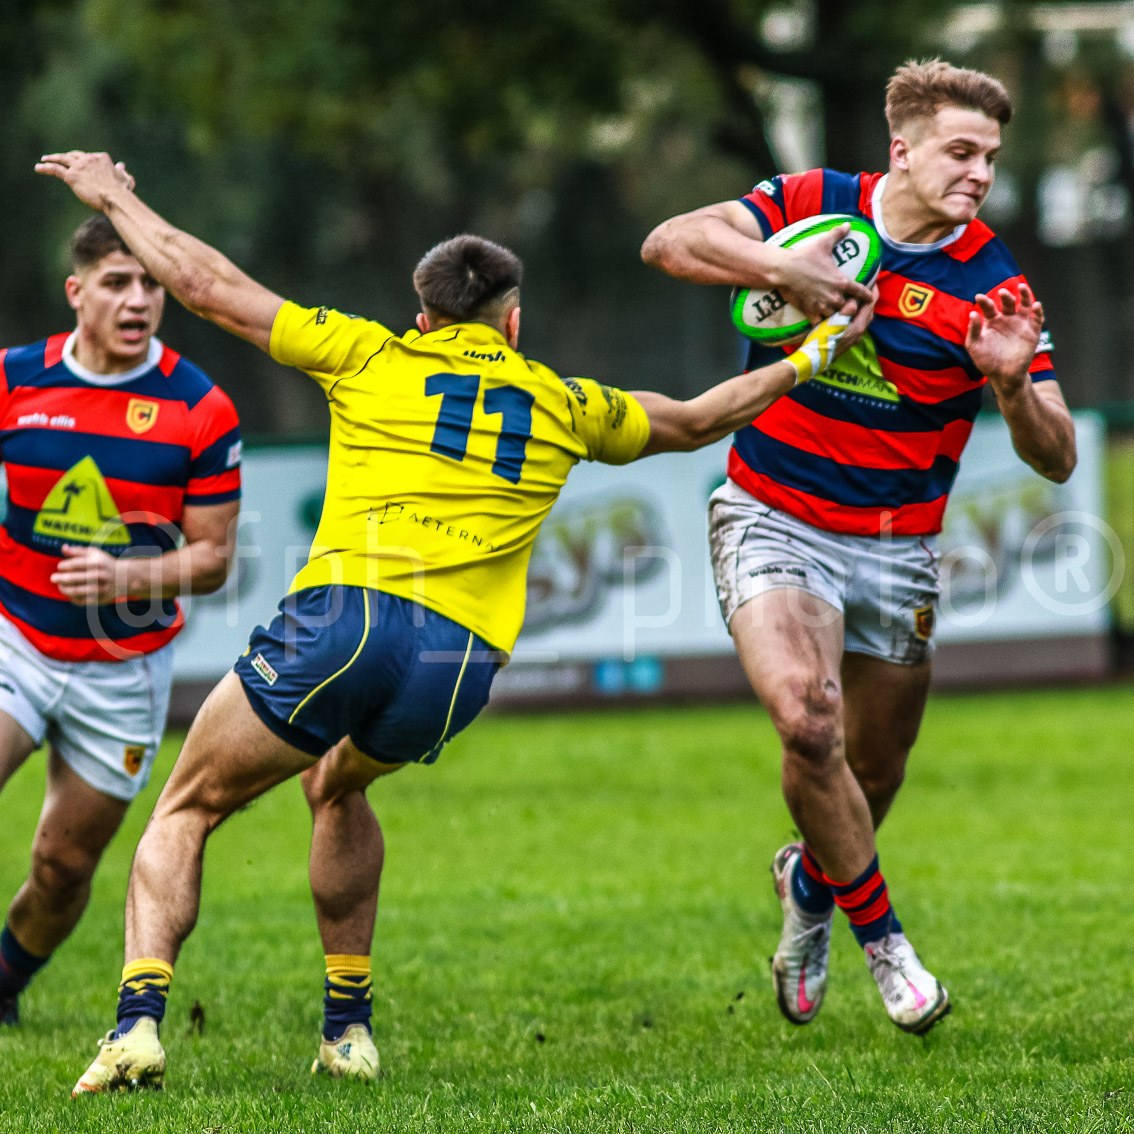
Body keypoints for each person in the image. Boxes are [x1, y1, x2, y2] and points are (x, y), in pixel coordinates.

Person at [36, 149, 873, 1093]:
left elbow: (206, 284)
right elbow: (701, 417)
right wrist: (813, 353)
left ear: (422, 315)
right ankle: (347, 1033)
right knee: (338, 788)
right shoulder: (565, 402)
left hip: (347, 619)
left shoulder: (367, 351)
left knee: (187, 807)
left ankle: (137, 1027)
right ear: (514, 323)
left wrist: (115, 195)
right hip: (457, 667)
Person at [640, 59, 1076, 1035]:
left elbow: (1058, 456)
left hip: (896, 550)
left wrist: (1011, 386)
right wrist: (783, 269)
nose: (978, 175)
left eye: (991, 158)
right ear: (903, 149)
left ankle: (812, 883)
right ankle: (886, 947)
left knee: (871, 775)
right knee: (807, 720)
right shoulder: (814, 208)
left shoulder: (995, 285)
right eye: (961, 152)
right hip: (770, 513)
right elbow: (671, 242)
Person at [0, 215, 241, 1028]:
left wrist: (125, 575)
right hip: (16, 636)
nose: (138, 299)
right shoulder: (16, 381)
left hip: (124, 665)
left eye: (151, 284)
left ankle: (2, 986)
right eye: (116, 282)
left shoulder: (199, 408)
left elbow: (212, 560)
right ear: (77, 292)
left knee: (63, 864)